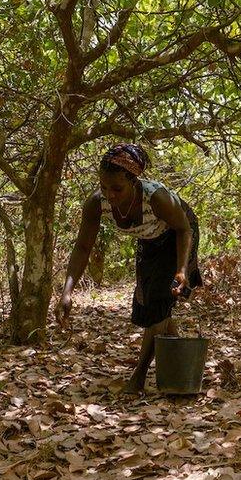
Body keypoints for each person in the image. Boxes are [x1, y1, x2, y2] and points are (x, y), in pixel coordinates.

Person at [55, 143, 203, 395]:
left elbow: (184, 229)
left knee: (159, 301)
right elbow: (82, 247)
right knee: (149, 307)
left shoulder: (157, 198)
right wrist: (67, 292)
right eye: (104, 187)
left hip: (178, 236)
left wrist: (181, 269)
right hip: (149, 241)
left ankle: (138, 378)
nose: (109, 194)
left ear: (134, 182)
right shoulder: (96, 204)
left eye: (117, 188)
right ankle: (179, 370)